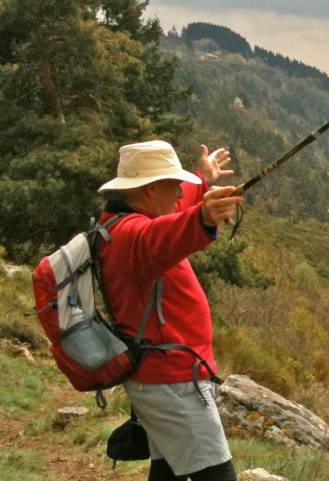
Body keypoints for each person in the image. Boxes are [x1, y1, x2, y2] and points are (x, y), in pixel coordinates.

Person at [96, 139, 243, 481]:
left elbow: (173, 216)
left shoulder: (124, 221)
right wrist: (204, 217)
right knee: (217, 475)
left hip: (159, 376)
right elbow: (167, 233)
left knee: (168, 472)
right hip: (173, 381)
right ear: (148, 190)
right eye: (173, 185)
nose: (181, 194)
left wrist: (202, 179)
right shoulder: (134, 236)